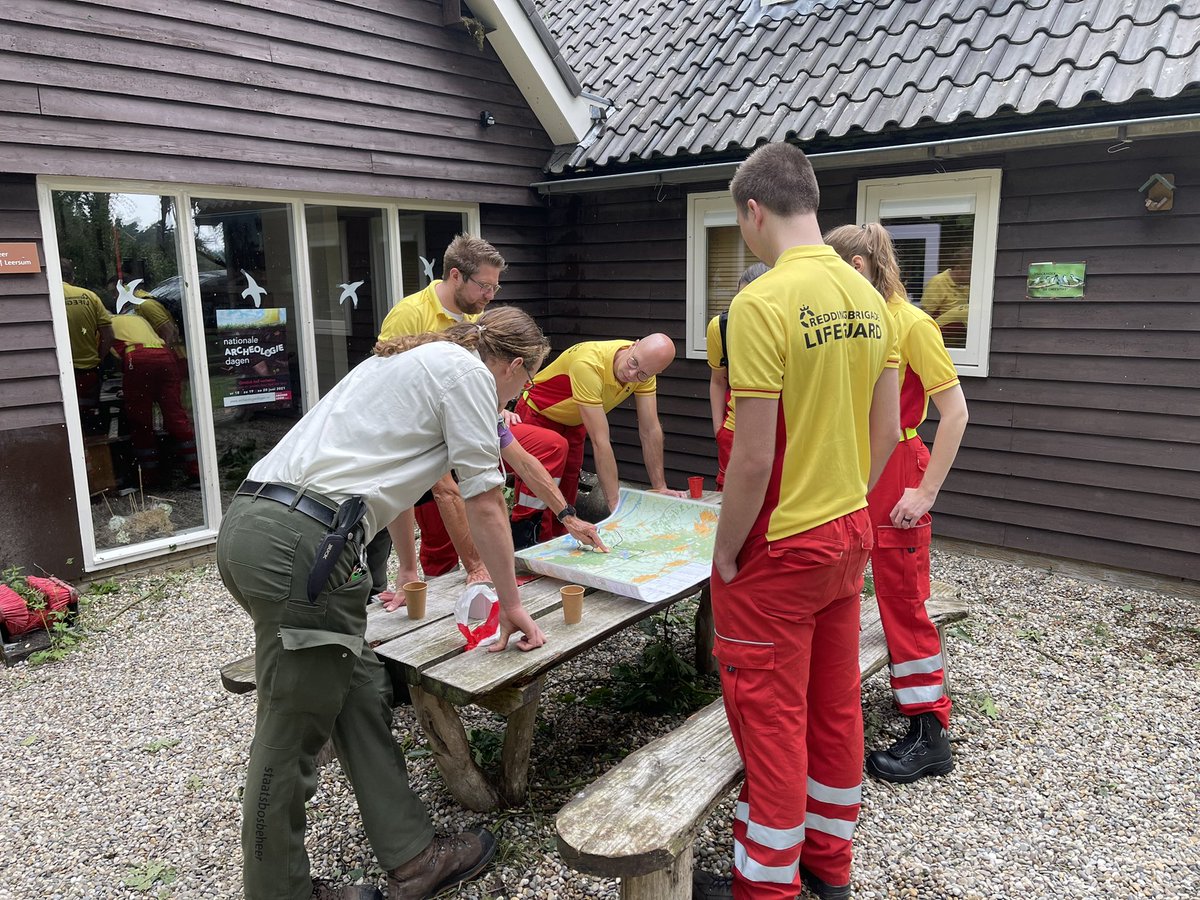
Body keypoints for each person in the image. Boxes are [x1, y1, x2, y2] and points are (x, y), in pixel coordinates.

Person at [215, 305, 549, 900]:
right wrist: (511, 600)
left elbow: (387, 483)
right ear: (515, 367)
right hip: (305, 547)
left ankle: (413, 855)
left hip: (260, 526)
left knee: (359, 685)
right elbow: (485, 498)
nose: (514, 406)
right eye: (520, 390)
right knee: (288, 736)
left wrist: (411, 565)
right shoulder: (470, 377)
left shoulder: (407, 360)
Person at [693, 142, 900, 900]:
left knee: (771, 721)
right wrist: (848, 493)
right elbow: (885, 435)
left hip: (778, 549)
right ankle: (827, 865)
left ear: (753, 210)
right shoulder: (871, 298)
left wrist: (723, 552)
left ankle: (766, 888)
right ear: (809, 199)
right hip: (848, 534)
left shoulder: (761, 302)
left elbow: (749, 461)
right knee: (835, 706)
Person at [824, 223, 969, 784]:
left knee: (904, 600)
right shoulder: (861, 324)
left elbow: (955, 413)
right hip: (860, 467)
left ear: (857, 268)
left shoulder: (912, 323)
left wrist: (926, 489)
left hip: (901, 469)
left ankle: (931, 731)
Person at [372, 235, 595, 596]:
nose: (490, 294)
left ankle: (514, 540)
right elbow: (469, 495)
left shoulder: (479, 321)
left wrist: (567, 514)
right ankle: (434, 574)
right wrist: (481, 570)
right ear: (456, 276)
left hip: (459, 418)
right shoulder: (411, 314)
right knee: (443, 501)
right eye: (484, 286)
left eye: (496, 286)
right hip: (407, 435)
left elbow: (521, 461)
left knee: (541, 447)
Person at [509, 334, 684, 543]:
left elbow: (650, 429)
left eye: (642, 374)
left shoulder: (644, 370)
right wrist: (614, 506)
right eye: (632, 363)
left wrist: (660, 486)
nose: (631, 373)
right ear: (633, 345)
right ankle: (525, 539)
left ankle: (559, 540)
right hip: (538, 412)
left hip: (574, 420)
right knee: (541, 481)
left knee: (569, 481)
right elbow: (601, 441)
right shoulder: (589, 363)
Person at [108, 310, 200, 486]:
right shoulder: (137, 319)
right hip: (165, 356)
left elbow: (109, 353)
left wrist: (128, 388)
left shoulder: (105, 323)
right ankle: (195, 471)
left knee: (141, 421)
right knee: (176, 417)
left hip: (138, 358)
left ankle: (150, 476)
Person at [706, 262, 768, 489]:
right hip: (733, 429)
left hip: (778, 429)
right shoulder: (720, 327)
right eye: (741, 300)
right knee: (730, 492)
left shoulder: (786, 325)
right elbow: (718, 379)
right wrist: (718, 428)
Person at [61, 259, 113, 436]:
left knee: (66, 420)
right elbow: (108, 335)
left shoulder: (48, 294)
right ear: (72, 277)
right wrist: (99, 358)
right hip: (89, 370)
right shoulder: (89, 296)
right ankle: (93, 459)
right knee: (89, 421)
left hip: (61, 372)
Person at [920, 249, 971, 348]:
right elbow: (925, 315)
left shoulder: (966, 284)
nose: (973, 275)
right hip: (940, 339)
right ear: (958, 269)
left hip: (960, 340)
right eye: (970, 271)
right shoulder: (938, 283)